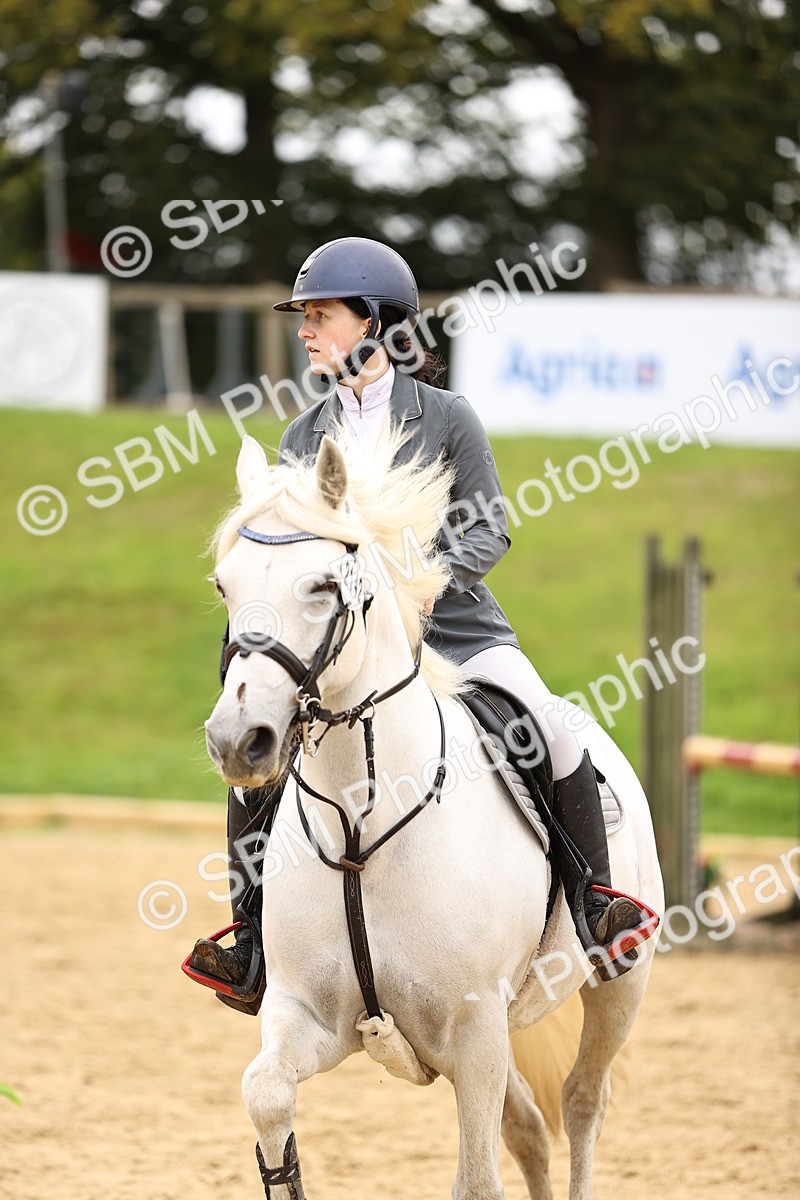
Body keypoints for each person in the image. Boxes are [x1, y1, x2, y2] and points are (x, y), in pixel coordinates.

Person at [189, 237, 652, 1008]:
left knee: (551, 727)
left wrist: (434, 586)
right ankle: (249, 942)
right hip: (343, 648)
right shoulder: (302, 435)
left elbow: (489, 529)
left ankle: (594, 904)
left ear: (376, 322)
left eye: (321, 314)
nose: (305, 331)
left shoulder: (446, 417)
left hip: (457, 630)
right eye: (304, 316)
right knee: (252, 770)